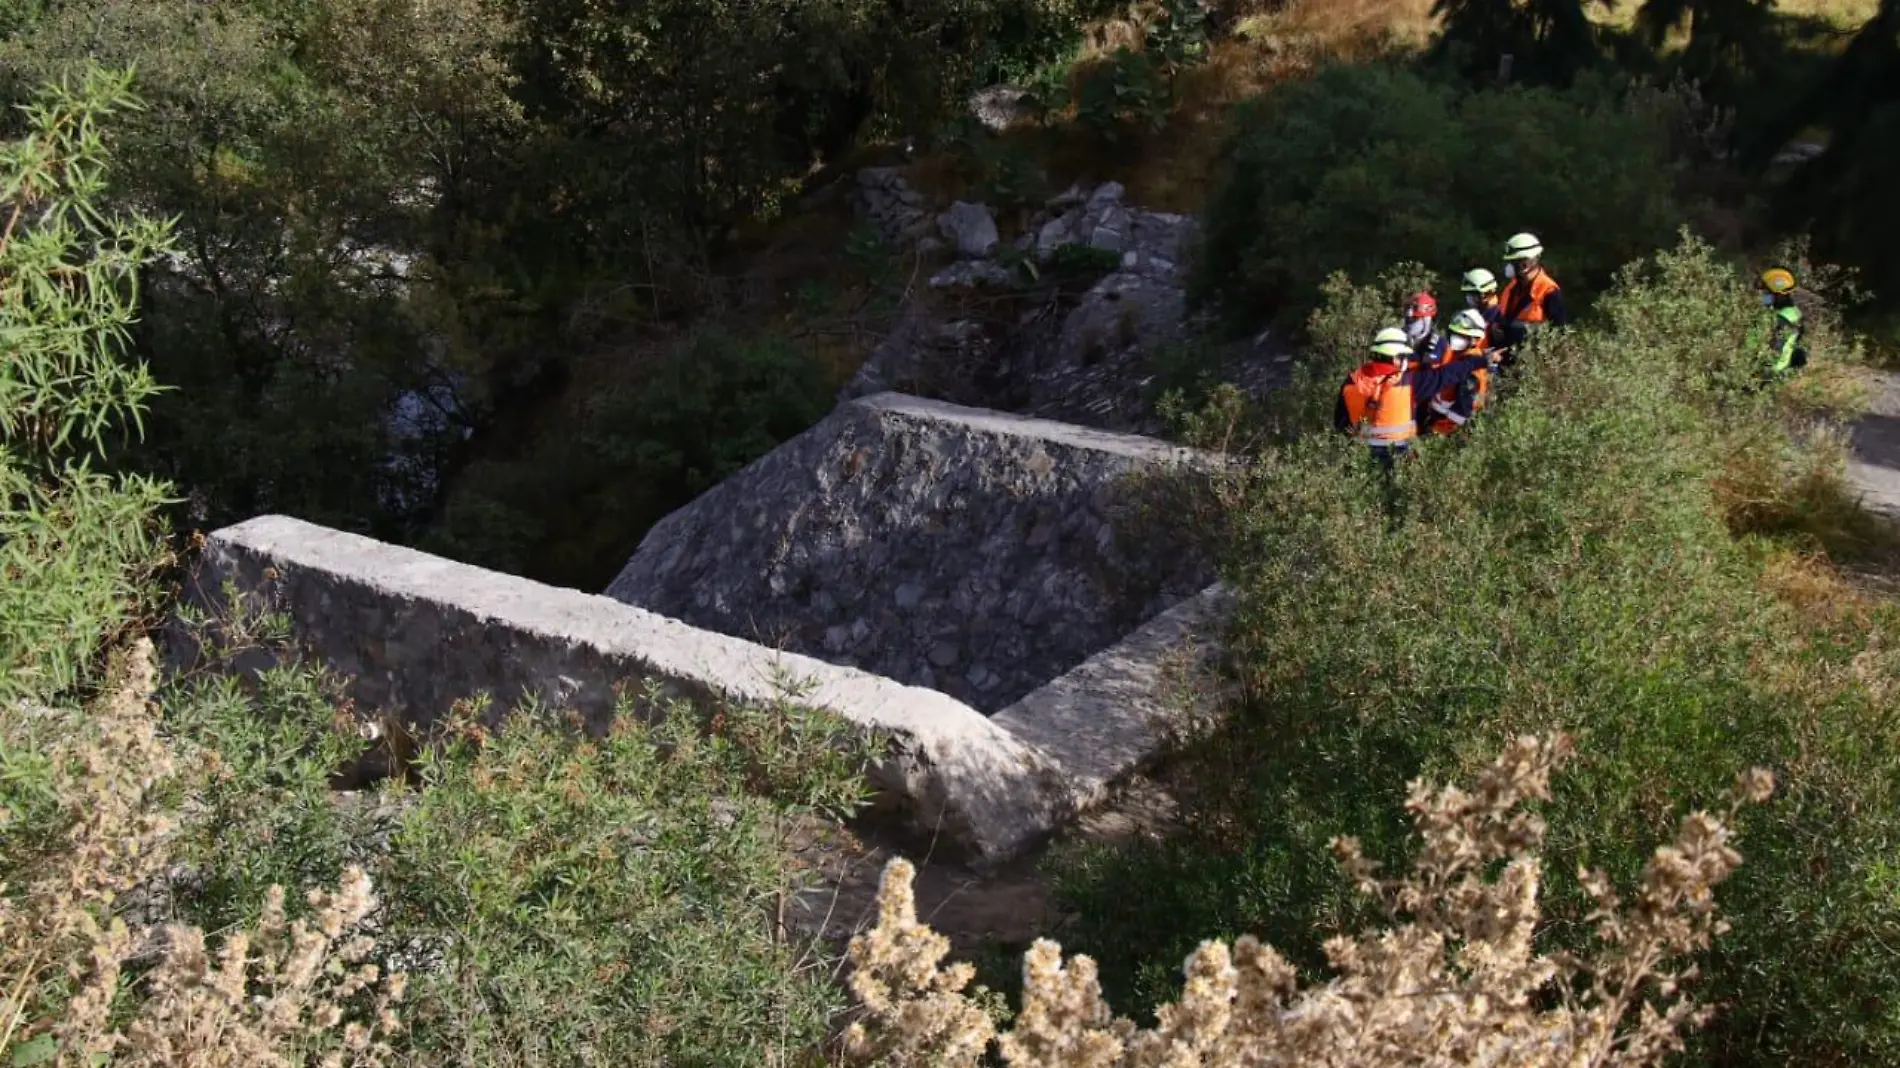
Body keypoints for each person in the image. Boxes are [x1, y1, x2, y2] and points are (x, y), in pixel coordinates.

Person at [1336, 326, 1493, 470]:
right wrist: (1479, 361)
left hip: (1362, 459)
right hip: (1399, 457)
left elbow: (1340, 424)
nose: (1407, 360)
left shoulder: (1352, 382)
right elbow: (1447, 374)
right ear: (1394, 357)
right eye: (1404, 356)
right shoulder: (1409, 383)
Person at [1493, 232, 1567, 357]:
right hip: (1507, 364)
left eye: (1515, 261)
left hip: (1534, 365)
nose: (1512, 266)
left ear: (1527, 263)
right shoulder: (1510, 289)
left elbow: (1560, 335)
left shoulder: (1549, 290)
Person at [1425, 309, 1493, 436]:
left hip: (1449, 430)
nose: (1456, 339)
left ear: (1475, 340)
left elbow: (1460, 416)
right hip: (1436, 417)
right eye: (1455, 334)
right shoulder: (1455, 355)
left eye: (1461, 336)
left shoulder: (1472, 373)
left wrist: (1435, 432)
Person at [1751, 266, 1807, 381]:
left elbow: (1772, 351)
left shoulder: (1780, 319)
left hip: (1768, 375)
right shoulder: (1795, 313)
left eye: (1766, 292)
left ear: (1779, 295)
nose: (1763, 296)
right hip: (1782, 369)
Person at [1460, 268, 1501, 333]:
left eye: (1472, 293)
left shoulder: (1496, 319)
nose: (1468, 297)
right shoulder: (1482, 316)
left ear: (1484, 295)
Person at [1403, 291, 1441, 359]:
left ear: (1426, 320)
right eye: (1408, 307)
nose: (1409, 313)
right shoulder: (1401, 336)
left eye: (1414, 319)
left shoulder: (1435, 345)